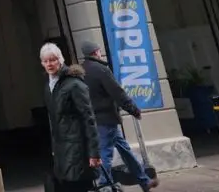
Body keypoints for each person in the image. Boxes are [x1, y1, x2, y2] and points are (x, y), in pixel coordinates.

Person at [80, 41, 159, 191]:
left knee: (125, 151)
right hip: (106, 119)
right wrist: (133, 109)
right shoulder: (101, 70)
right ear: (96, 52)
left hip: (93, 119)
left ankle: (144, 181)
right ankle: (104, 185)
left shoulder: (82, 72)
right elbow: (117, 93)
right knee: (105, 154)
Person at [40, 42, 102, 192]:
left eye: (53, 60)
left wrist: (94, 153)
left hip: (77, 148)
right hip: (62, 150)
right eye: (46, 61)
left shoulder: (74, 84)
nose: (49, 64)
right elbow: (54, 120)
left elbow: (89, 119)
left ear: (60, 60)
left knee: (78, 186)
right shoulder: (49, 87)